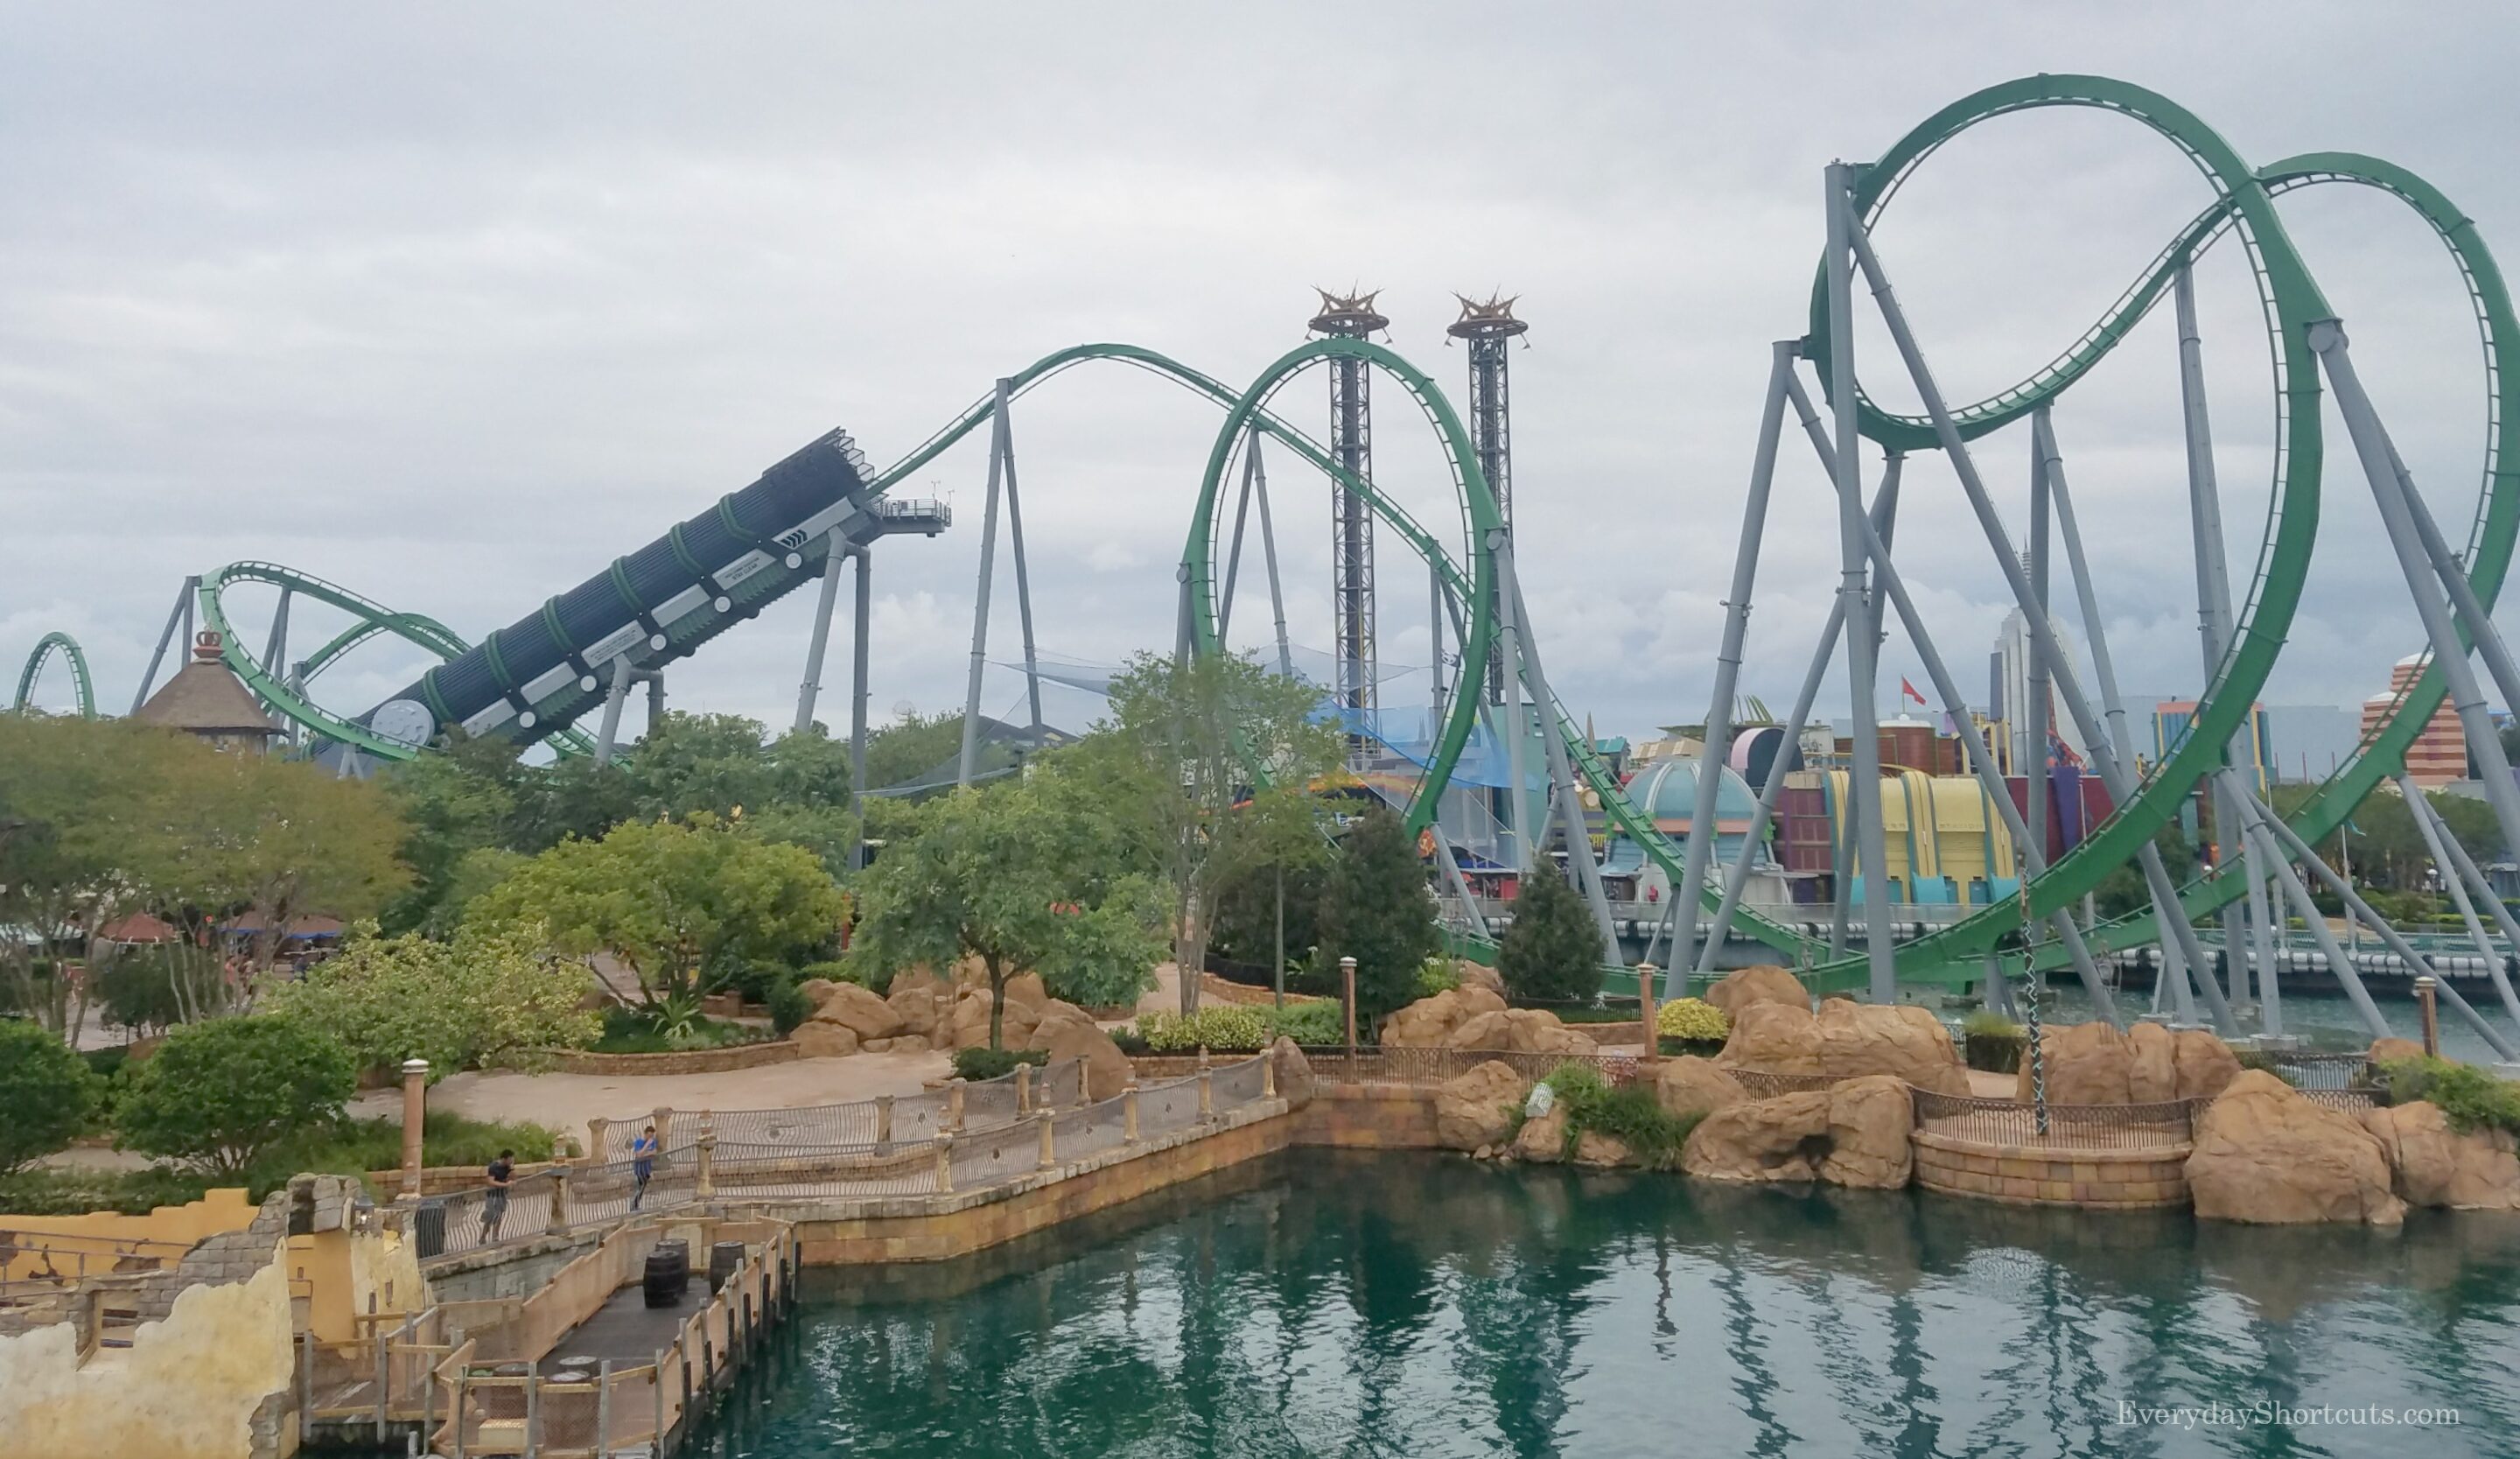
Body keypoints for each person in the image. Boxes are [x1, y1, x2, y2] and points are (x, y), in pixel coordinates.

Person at [480, 1149, 515, 1240]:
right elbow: (491, 1182)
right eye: (510, 1159)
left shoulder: (508, 1167)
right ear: (505, 1159)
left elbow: (514, 1178)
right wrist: (505, 1185)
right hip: (492, 1195)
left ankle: (495, 1237)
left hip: (501, 1195)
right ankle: (483, 1236)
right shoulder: (493, 1167)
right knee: (491, 1217)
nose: (511, 1161)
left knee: (499, 1216)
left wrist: (512, 1169)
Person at [629, 1124, 659, 1211]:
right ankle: (634, 1205)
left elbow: (654, 1152)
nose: (650, 1138)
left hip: (647, 1168)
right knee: (640, 1186)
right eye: (649, 1136)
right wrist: (646, 1146)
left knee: (642, 1187)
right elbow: (638, 1155)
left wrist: (645, 1153)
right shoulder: (639, 1142)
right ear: (645, 1134)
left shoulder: (653, 1141)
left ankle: (636, 1205)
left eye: (652, 1136)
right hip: (639, 1169)